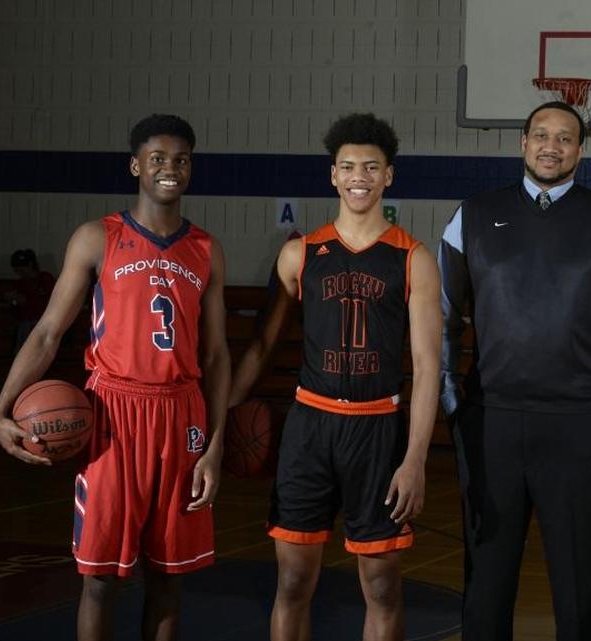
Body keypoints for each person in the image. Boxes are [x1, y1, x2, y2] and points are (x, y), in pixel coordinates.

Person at [0, 114, 230, 641]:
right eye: (158, 158)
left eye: (181, 159)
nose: (170, 168)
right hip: (112, 416)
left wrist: (215, 445)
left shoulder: (206, 250)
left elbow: (216, 355)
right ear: (136, 165)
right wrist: (0, 406)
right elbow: (49, 331)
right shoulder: (98, 237)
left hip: (181, 413)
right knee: (99, 581)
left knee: (169, 579)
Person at [438, 101, 591, 641]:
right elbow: (439, 322)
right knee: (486, 587)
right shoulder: (470, 215)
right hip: (491, 422)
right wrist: (454, 408)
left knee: (581, 589)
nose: (551, 146)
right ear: (522, 142)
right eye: (541, 134)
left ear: (580, 151)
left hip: (578, 425)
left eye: (565, 138)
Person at [228, 112, 441, 641]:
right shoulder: (299, 254)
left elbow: (430, 366)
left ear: (388, 175)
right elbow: (260, 348)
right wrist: (217, 424)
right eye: (348, 166)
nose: (359, 177)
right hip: (310, 429)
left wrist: (415, 459)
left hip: (379, 431)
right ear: (332, 175)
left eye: (371, 167)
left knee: (383, 586)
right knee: (294, 582)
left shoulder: (413, 259)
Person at [5, 248, 56, 352]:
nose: (20, 273)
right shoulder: (19, 284)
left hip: (43, 324)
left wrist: (26, 301)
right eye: (17, 270)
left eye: (22, 269)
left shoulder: (45, 279)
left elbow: (52, 304)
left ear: (30, 265)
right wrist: (13, 302)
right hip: (24, 325)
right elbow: (16, 312)